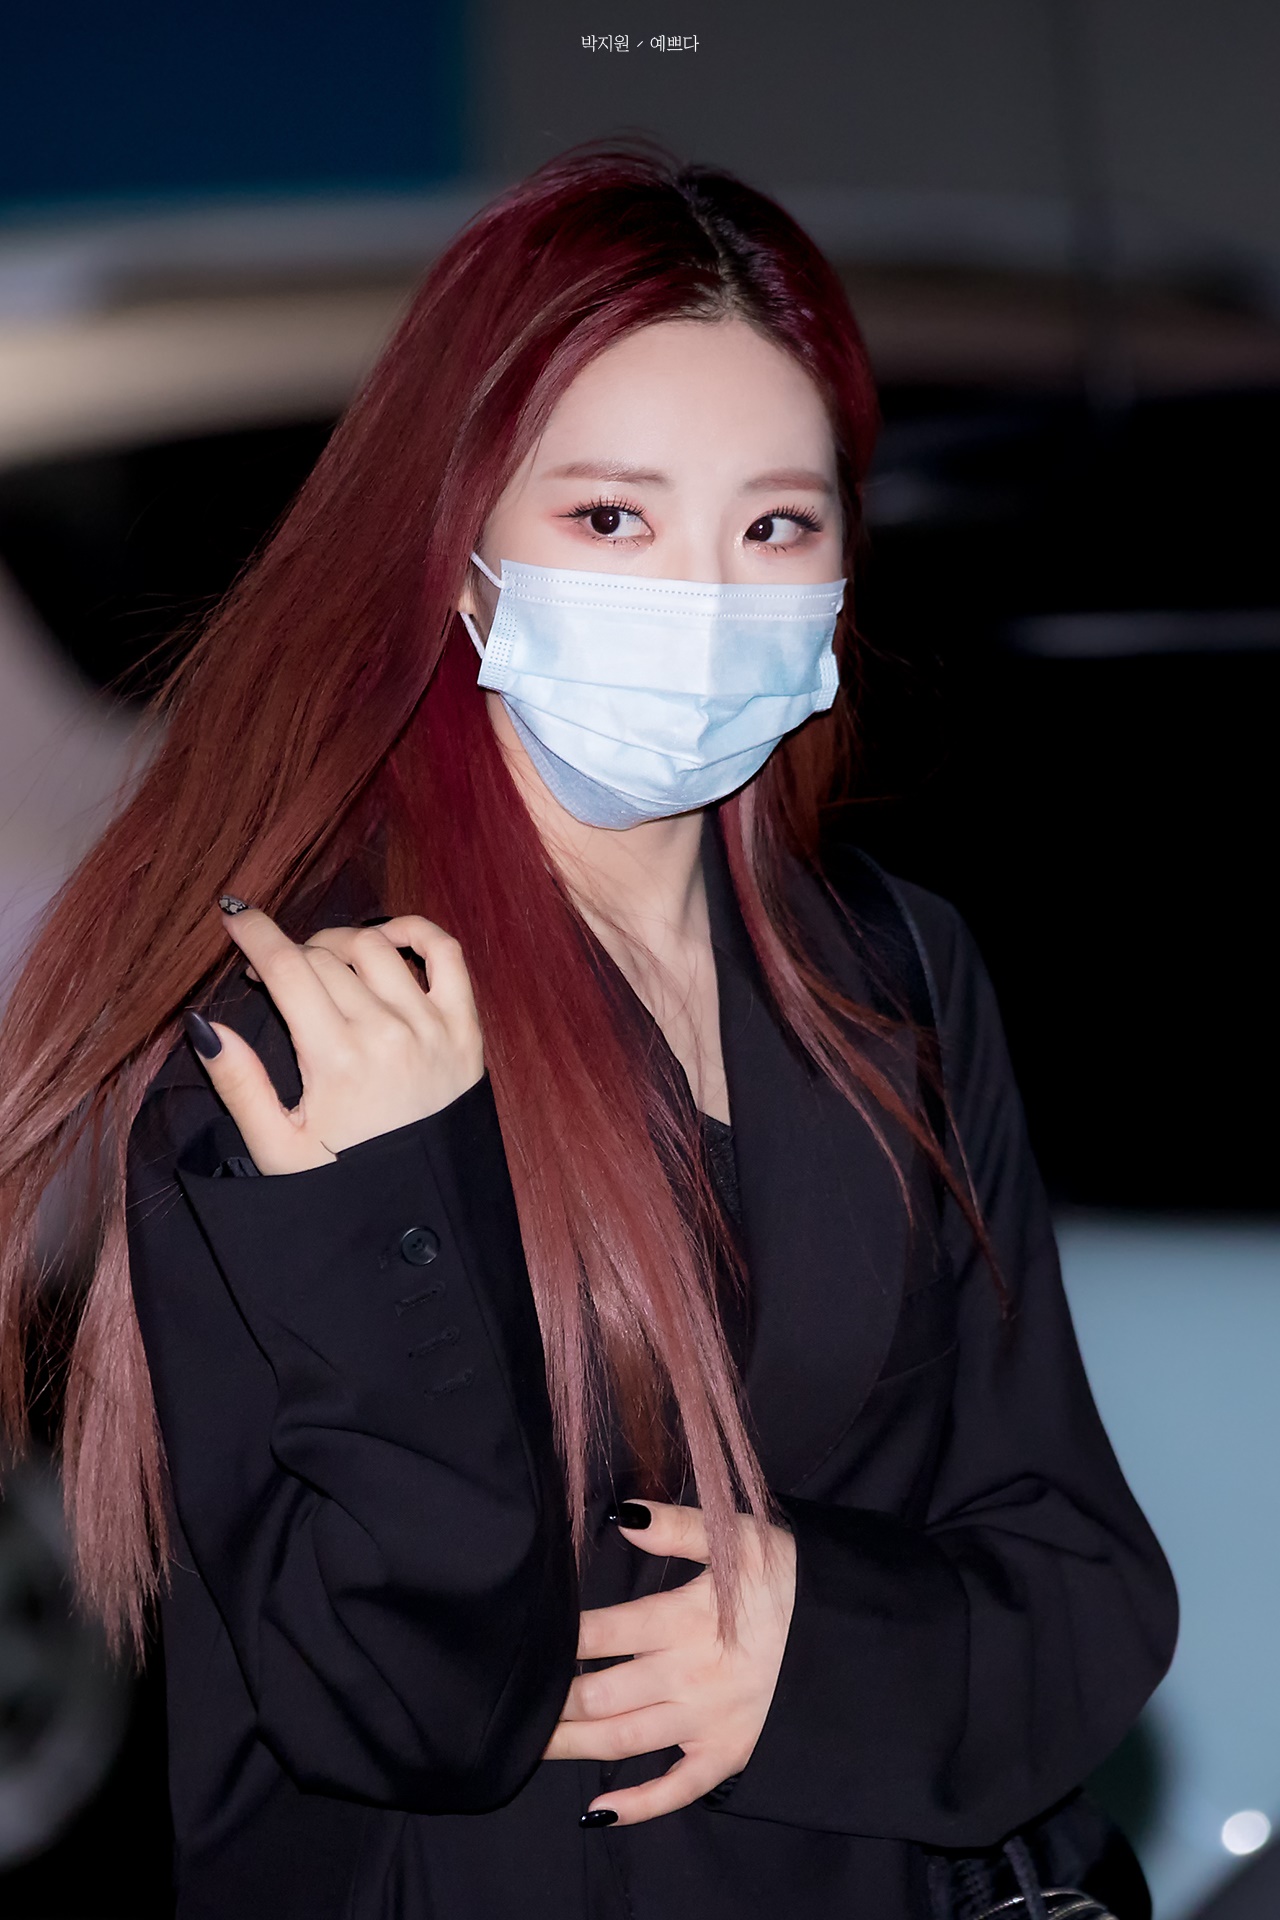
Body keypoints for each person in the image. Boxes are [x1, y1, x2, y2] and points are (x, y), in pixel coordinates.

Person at [0, 142, 1177, 1920]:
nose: (706, 595)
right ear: (462, 549)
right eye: (614, 519)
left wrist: (817, 1643)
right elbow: (404, 1703)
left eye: (774, 526)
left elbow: (1081, 1590)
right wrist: (385, 1201)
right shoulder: (323, 1014)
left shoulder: (889, 971)